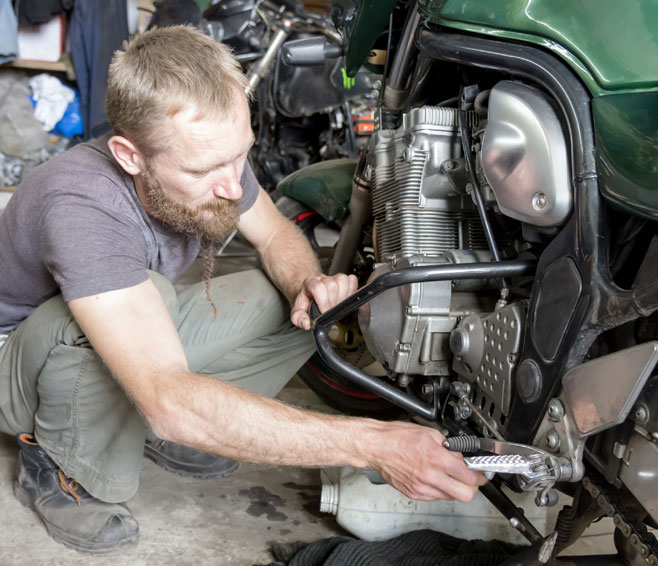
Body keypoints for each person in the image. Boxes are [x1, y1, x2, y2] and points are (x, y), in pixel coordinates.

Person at [0, 26, 486, 554]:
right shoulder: (81, 204)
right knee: (155, 302)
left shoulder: (214, 157)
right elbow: (168, 397)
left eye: (240, 156)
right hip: (16, 367)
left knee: (306, 298)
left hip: (122, 334)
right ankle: (60, 468)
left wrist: (310, 285)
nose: (233, 186)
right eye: (205, 169)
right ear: (130, 155)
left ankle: (146, 425)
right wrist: (373, 444)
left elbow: (277, 234)